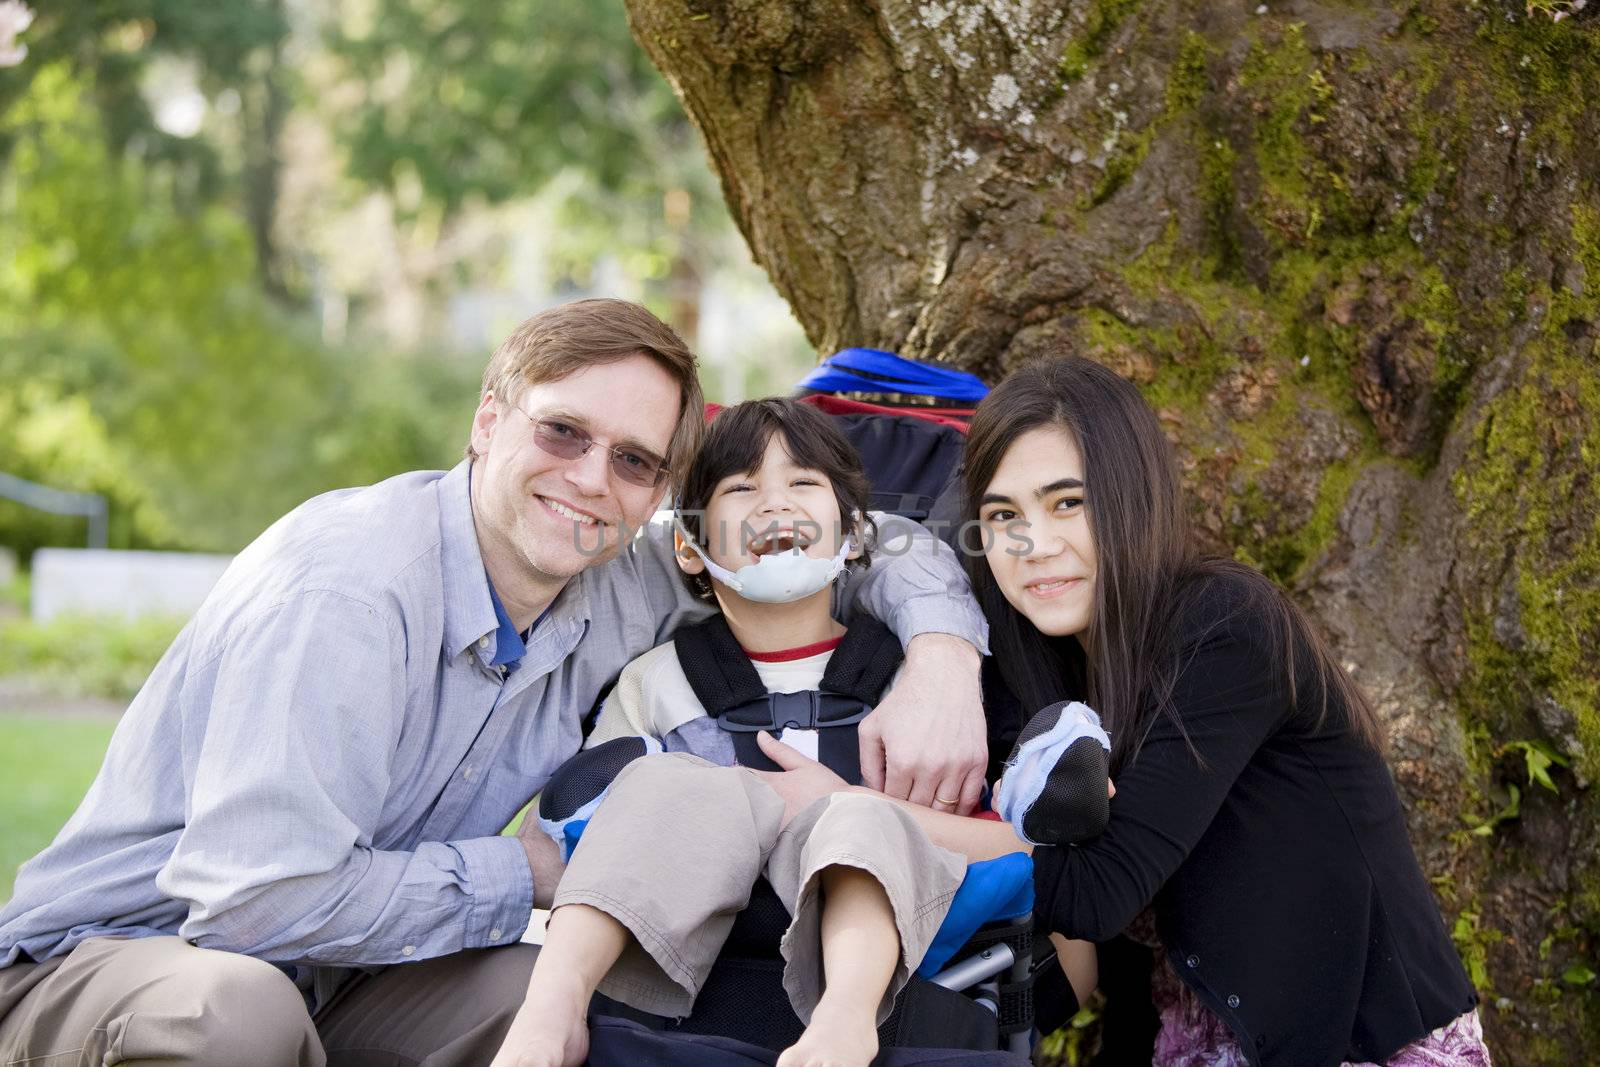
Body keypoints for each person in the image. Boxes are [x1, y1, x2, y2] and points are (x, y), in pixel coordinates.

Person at [0, 300, 993, 1067]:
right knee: (236, 1010)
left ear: (655, 496)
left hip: (350, 971)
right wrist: (530, 872)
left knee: (564, 1001)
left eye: (636, 460)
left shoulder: (614, 579)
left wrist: (945, 654)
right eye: (563, 432)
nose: (592, 478)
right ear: (487, 418)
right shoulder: (348, 588)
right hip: (120, 957)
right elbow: (248, 905)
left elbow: (841, 542)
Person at [488, 399, 1097, 1067]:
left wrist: (840, 806)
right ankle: (553, 1005)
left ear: (855, 537)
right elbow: (603, 823)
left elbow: (984, 839)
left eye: (803, 485)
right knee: (654, 783)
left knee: (858, 820)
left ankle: (843, 1018)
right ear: (688, 546)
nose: (776, 504)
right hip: (697, 921)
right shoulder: (657, 680)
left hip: (885, 920)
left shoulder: (914, 688)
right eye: (743, 489)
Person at [957, 356, 1489, 1066]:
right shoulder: (1050, 675)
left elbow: (1093, 892)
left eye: (1067, 503)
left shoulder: (1224, 625)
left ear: (1132, 497)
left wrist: (864, 820)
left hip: (1356, 1045)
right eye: (1003, 515)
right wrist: (935, 657)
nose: (1036, 545)